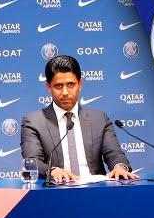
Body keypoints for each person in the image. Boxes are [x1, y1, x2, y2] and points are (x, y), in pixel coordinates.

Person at [20, 55, 138, 183]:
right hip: (56, 192)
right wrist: (53, 171)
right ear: (48, 87)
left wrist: (119, 167)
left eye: (71, 84)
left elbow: (114, 154)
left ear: (80, 84)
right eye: (58, 86)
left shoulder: (99, 119)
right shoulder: (34, 121)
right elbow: (32, 162)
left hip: (96, 191)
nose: (65, 92)